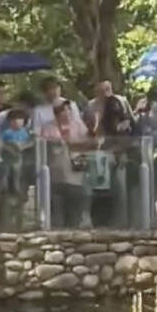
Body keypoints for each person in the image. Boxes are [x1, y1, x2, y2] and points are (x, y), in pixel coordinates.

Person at [42, 98, 90, 228]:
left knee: (75, 200)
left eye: (69, 109)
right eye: (63, 110)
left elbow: (87, 141)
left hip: (75, 169)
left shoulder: (78, 124)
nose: (67, 113)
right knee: (57, 202)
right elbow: (46, 144)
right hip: (56, 171)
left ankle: (75, 224)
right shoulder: (48, 126)